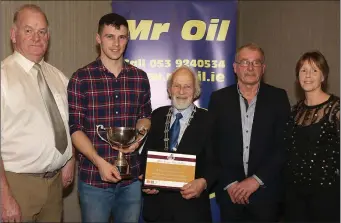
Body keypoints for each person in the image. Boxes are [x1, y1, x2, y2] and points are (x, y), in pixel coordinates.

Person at [67, 13, 152, 223]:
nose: (116, 43)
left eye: (122, 37)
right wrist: (99, 162)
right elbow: (75, 128)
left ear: (128, 39)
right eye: (110, 36)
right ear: (98, 39)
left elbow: (145, 116)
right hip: (94, 180)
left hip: (131, 180)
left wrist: (139, 138)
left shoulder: (139, 77)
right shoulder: (81, 78)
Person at [0, 4, 74, 222]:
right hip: (17, 185)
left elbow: (67, 124)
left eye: (42, 32)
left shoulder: (59, 78)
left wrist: (69, 159)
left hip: (55, 185)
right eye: (28, 30)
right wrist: (4, 196)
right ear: (14, 35)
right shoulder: (3, 78)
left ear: (48, 37)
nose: (36, 37)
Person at [208, 43, 291, 222]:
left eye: (256, 62)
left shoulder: (278, 98)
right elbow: (213, 146)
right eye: (245, 62)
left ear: (263, 68)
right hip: (230, 194)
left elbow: (284, 145)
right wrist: (230, 184)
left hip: (266, 194)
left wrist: (256, 180)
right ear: (235, 67)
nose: (250, 68)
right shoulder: (219, 99)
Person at [140, 66, 218, 222]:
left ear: (195, 91)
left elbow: (217, 162)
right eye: (177, 85)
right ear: (169, 90)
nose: (181, 91)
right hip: (157, 210)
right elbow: (145, 156)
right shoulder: (156, 116)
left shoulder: (209, 120)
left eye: (187, 86)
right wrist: (145, 180)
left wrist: (203, 182)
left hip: (192, 211)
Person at [283, 51, 340, 222]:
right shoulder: (294, 111)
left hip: (326, 198)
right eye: (303, 70)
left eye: (314, 70)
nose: (308, 75)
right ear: (297, 76)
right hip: (294, 198)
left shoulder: (336, 109)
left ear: (323, 76)